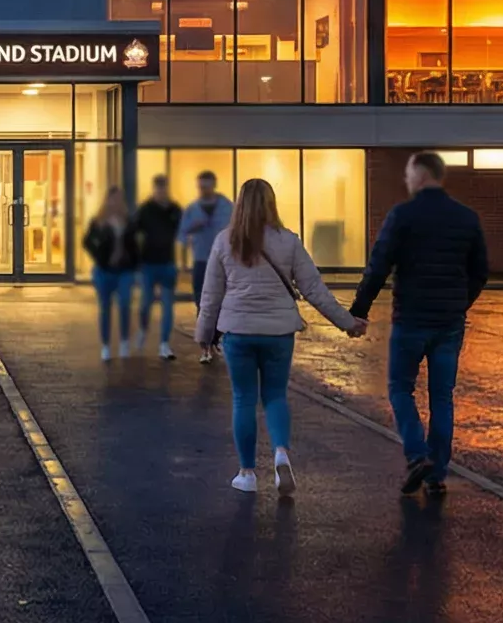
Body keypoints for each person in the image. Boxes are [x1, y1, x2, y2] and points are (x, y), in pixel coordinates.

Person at [194, 177, 367, 495]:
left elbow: (211, 295)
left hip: (238, 332)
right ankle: (281, 454)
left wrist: (204, 334)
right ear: (272, 204)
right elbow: (314, 289)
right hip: (279, 333)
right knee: (274, 396)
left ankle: (247, 474)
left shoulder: (224, 241)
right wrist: (347, 323)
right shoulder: (288, 241)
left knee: (244, 399)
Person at [349, 150, 489, 496]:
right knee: (442, 396)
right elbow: (480, 272)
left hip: (410, 318)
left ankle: (416, 455)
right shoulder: (466, 218)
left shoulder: (403, 216)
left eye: (409, 175)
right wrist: (460, 303)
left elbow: (378, 265)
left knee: (400, 388)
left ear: (422, 175)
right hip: (449, 322)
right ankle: (437, 474)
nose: (406, 181)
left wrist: (359, 309)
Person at [178, 171, 234, 363]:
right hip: (201, 261)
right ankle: (205, 347)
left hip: (224, 262)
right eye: (201, 187)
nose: (203, 190)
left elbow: (237, 232)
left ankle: (217, 340)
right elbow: (182, 234)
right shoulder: (192, 209)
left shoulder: (228, 207)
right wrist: (184, 260)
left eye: (206, 186)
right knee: (202, 303)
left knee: (222, 302)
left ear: (214, 185)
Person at [82, 186, 140, 362]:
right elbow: (86, 241)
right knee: (105, 308)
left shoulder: (128, 221)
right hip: (104, 270)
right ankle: (106, 346)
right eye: (112, 199)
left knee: (124, 305)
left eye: (118, 199)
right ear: (107, 200)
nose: (115, 202)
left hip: (124, 271)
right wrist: (99, 255)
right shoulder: (99, 221)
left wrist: (135, 265)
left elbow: (134, 246)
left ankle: (123, 342)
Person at [130, 174, 183, 359]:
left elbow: (182, 234)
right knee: (145, 304)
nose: (161, 192)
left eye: (164, 188)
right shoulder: (145, 209)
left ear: (167, 188)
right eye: (158, 189)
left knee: (168, 306)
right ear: (154, 189)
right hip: (148, 265)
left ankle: (164, 344)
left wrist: (182, 262)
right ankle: (143, 329)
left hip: (168, 264)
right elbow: (133, 232)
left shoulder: (175, 209)